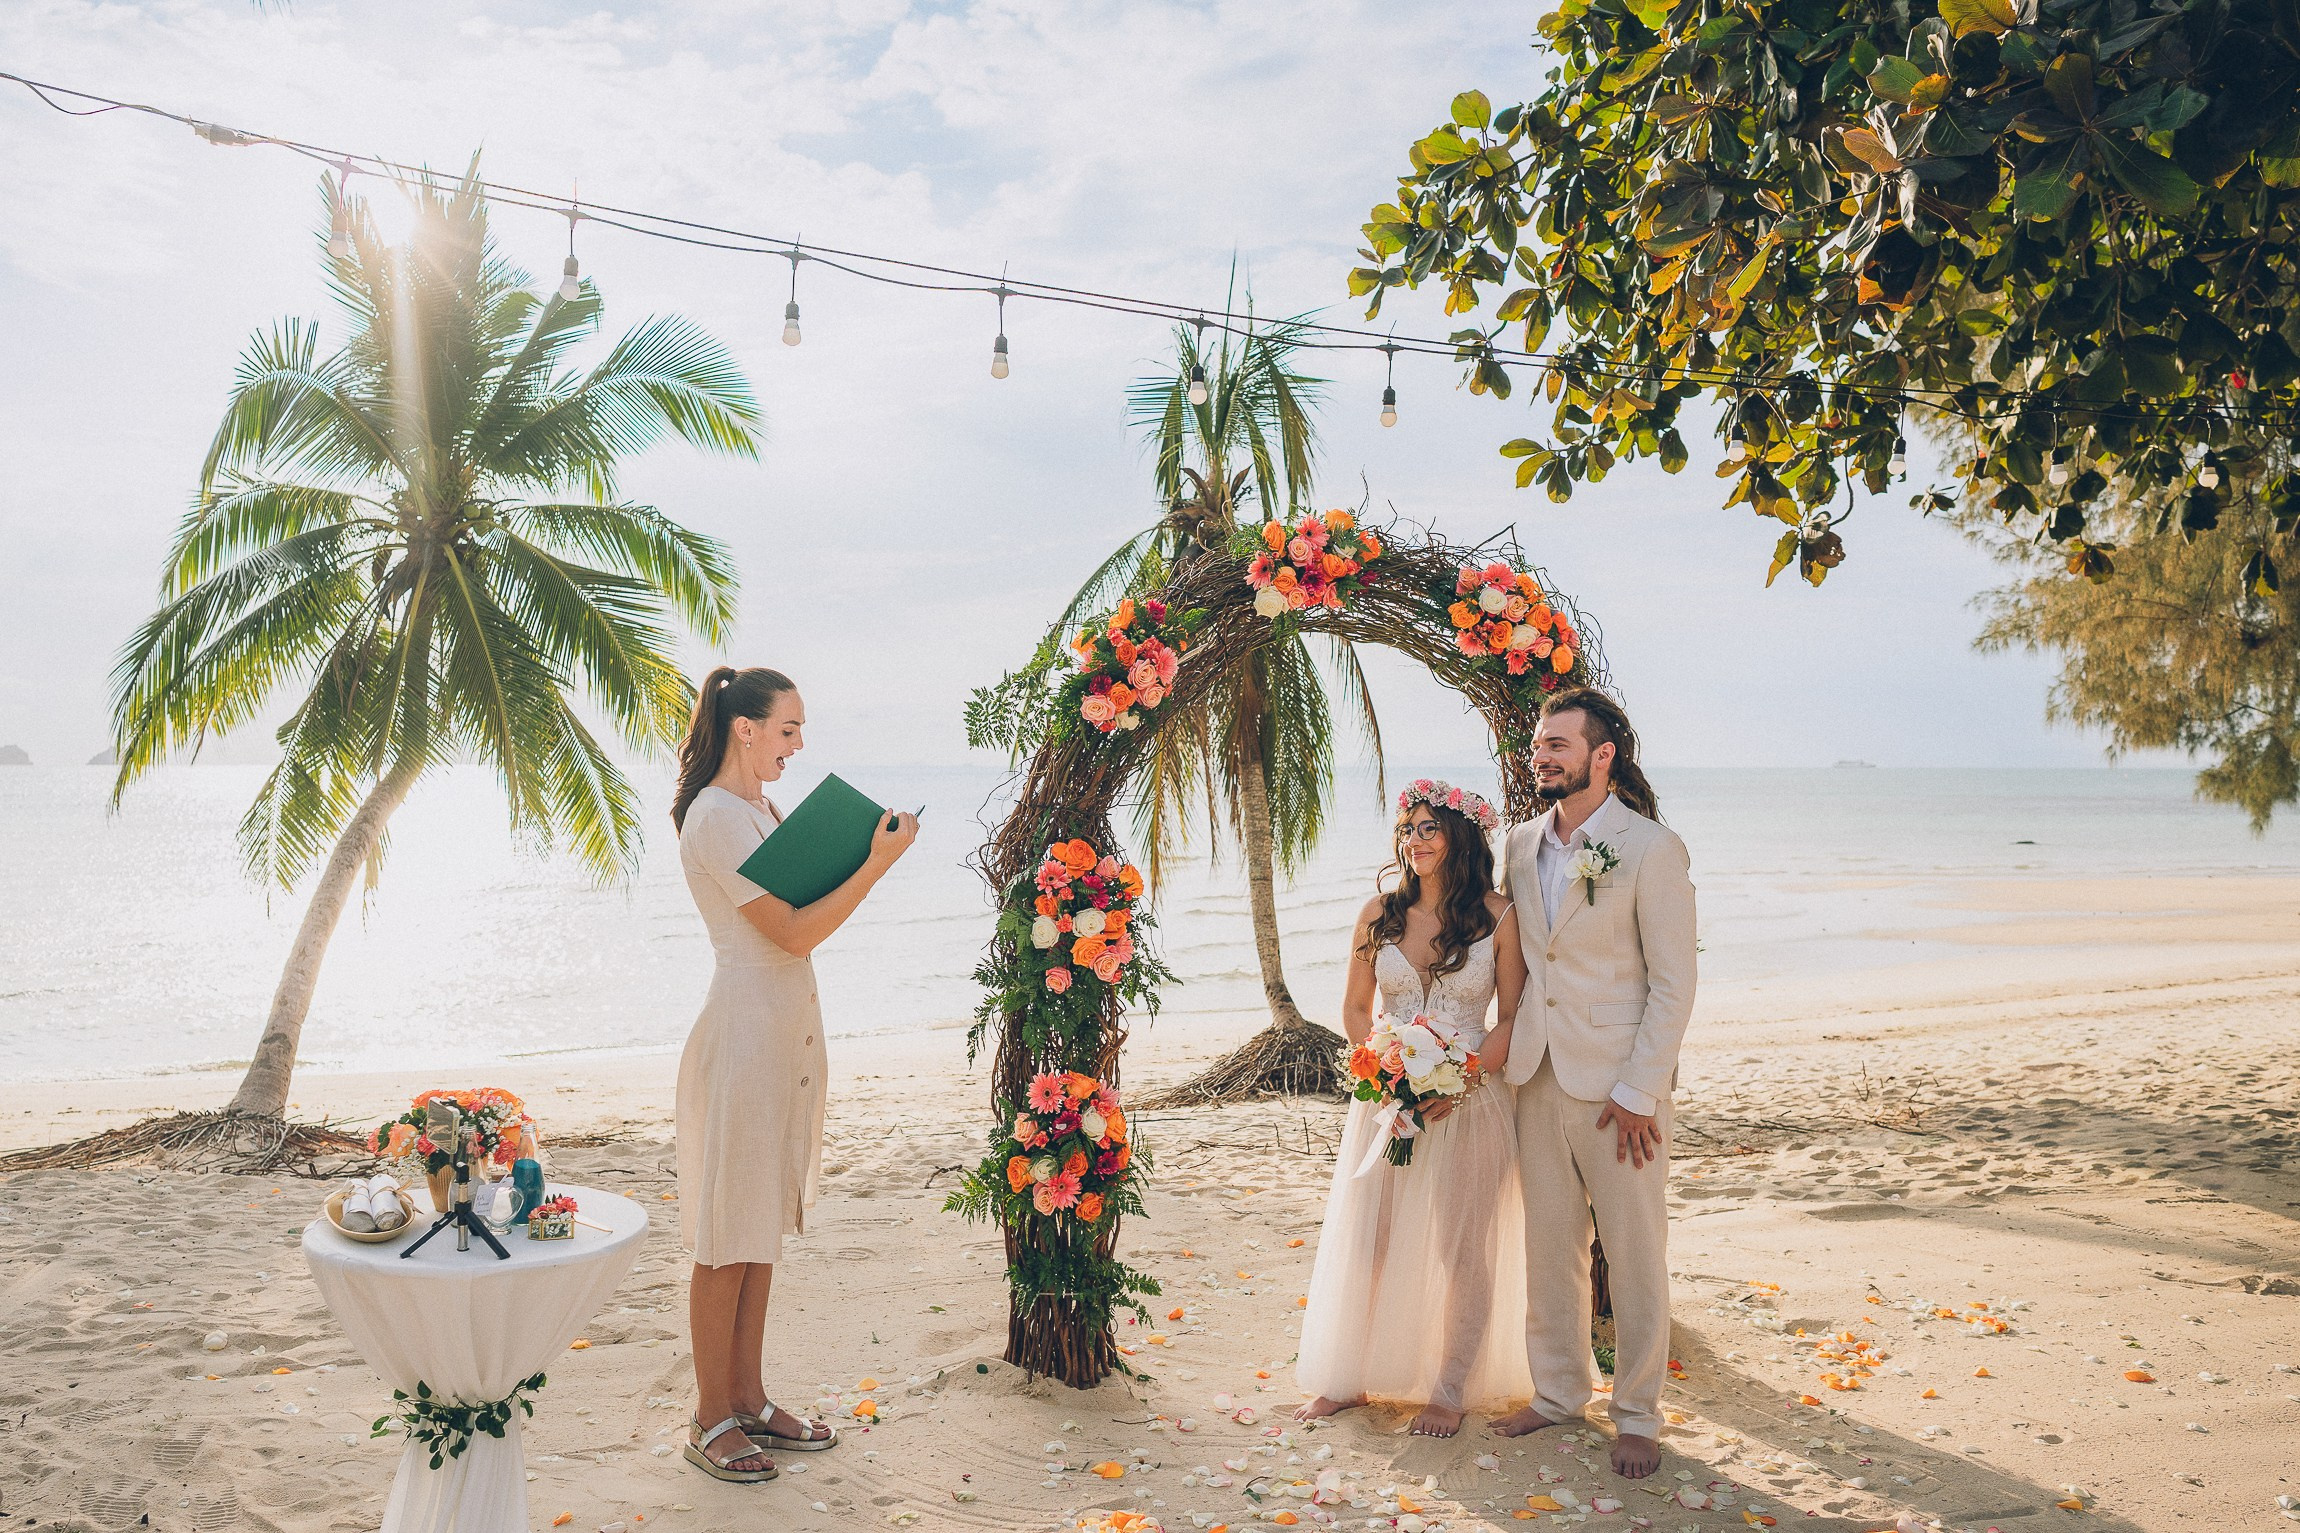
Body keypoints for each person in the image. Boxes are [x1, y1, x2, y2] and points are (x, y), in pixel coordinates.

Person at [668, 666, 919, 1483]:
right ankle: (710, 1416)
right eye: (788, 728)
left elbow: (801, 921)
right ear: (745, 728)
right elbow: (792, 931)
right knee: (725, 1236)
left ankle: (747, 1398)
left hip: (783, 1031)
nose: (799, 743)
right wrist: (876, 863)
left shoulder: (763, 811)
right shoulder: (715, 817)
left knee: (759, 1227)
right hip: (744, 1034)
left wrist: (861, 855)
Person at [1488, 688, 1695, 1480]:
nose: (1541, 755)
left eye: (1559, 744)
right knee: (1549, 1247)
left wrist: (1641, 1089)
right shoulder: (1518, 843)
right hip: (1536, 1075)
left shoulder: (1651, 848)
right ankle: (1559, 1390)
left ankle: (1637, 1413)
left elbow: (1673, 983)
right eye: (1539, 743)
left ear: (1602, 755)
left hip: (1619, 1092)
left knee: (1636, 1255)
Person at [1294, 779, 1534, 1437]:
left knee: (1462, 1248)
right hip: (1388, 1105)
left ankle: (1449, 1389)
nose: (1415, 841)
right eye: (1408, 829)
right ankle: (1348, 1379)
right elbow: (1355, 1007)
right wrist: (1385, 1068)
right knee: (1372, 1241)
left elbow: (1510, 1017)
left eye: (1429, 828)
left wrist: (1461, 1077)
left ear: (1461, 835)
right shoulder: (1379, 913)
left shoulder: (1500, 917)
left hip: (1470, 1104)